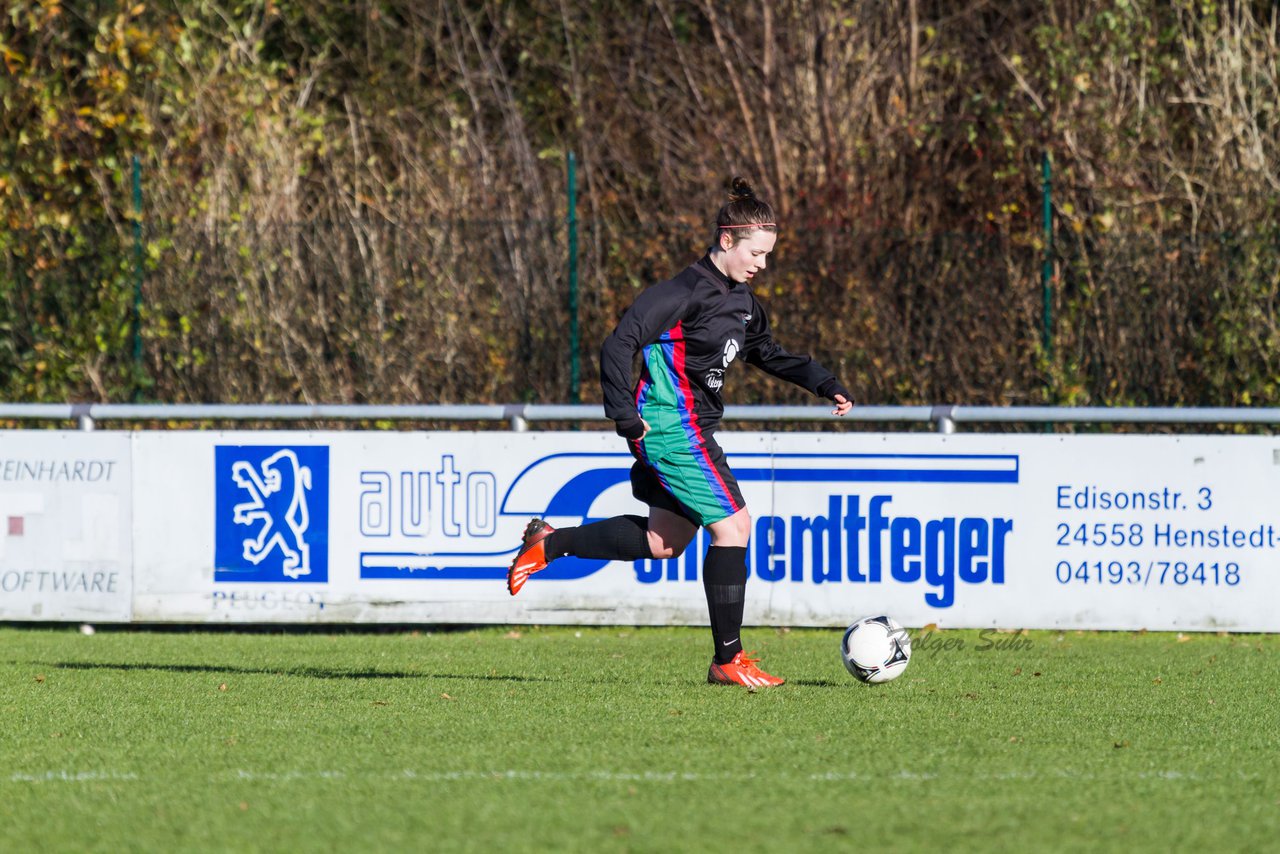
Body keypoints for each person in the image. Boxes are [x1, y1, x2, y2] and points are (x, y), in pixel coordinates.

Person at [507, 177, 853, 687]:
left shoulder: (743, 303)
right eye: (756, 252)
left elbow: (770, 353)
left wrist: (824, 384)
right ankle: (727, 660)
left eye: (768, 255)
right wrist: (624, 415)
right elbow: (618, 343)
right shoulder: (680, 293)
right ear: (727, 239)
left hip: (690, 430)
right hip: (672, 428)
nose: (761, 264)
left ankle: (551, 543)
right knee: (734, 528)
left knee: (664, 540)